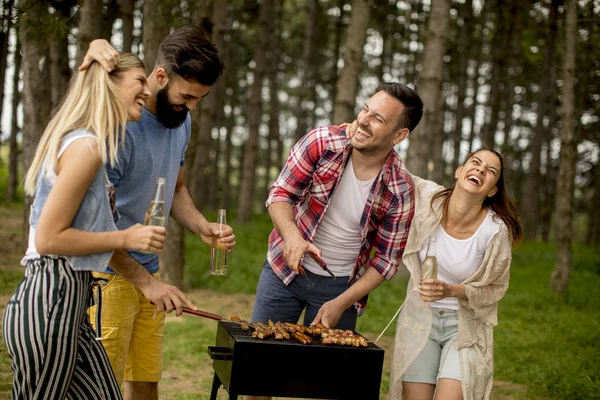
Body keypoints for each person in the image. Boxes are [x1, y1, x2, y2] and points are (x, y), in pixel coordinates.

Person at [80, 25, 236, 400]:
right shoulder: (120, 128)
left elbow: (177, 187)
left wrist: (202, 226)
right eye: (187, 96)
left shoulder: (180, 119)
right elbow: (97, 221)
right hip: (109, 273)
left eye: (200, 98)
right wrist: (148, 284)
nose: (192, 106)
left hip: (149, 270)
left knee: (146, 381)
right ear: (161, 76)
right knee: (103, 386)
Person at [2, 53, 164, 399]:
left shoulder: (93, 145)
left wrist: (150, 285)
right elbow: (48, 239)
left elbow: (85, 238)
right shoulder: (86, 146)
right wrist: (127, 235)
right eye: (139, 81)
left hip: (74, 308)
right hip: (50, 303)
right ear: (111, 83)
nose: (147, 92)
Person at [252, 82, 423, 331]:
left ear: (399, 135)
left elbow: (386, 260)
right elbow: (281, 193)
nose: (363, 120)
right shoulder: (321, 142)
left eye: (377, 118)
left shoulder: (401, 189)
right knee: (259, 358)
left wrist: (342, 302)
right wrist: (292, 238)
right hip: (283, 271)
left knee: (328, 369)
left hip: (341, 288)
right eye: (365, 109)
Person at [389, 149, 523, 400]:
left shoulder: (494, 231)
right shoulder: (428, 199)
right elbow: (395, 168)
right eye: (475, 162)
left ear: (492, 189)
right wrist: (350, 134)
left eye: (491, 171)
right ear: (460, 171)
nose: (481, 170)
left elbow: (495, 289)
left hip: (465, 328)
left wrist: (451, 290)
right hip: (419, 320)